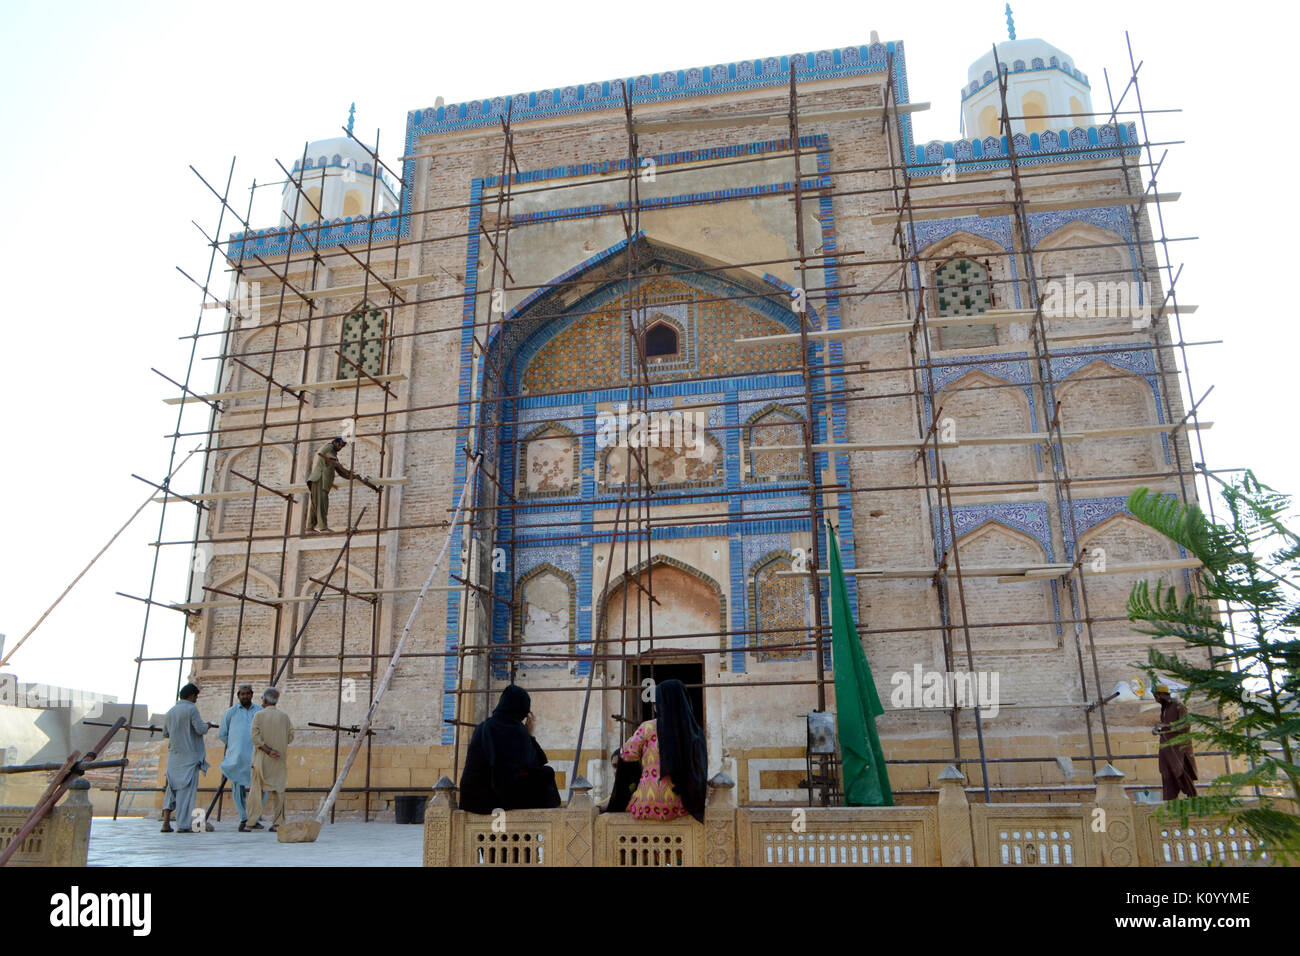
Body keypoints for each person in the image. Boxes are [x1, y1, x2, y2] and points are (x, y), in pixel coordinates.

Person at [459, 685, 561, 814]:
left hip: (471, 801)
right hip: (492, 800)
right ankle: (555, 816)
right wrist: (529, 733)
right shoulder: (516, 729)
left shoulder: (483, 726)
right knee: (547, 773)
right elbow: (535, 763)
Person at [619, 679, 707, 823]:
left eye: (656, 702)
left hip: (648, 803)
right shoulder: (695, 731)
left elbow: (627, 755)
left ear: (659, 705)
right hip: (685, 804)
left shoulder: (648, 728)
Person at [161, 683, 211, 834]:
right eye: (196, 696)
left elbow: (165, 733)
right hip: (189, 757)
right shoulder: (191, 709)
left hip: (173, 758)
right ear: (191, 696)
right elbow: (200, 729)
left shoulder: (170, 711)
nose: (196, 699)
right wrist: (207, 725)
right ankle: (183, 825)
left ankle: (165, 823)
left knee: (171, 790)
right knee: (186, 794)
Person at [248, 687, 294, 831]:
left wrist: (267, 750)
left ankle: (251, 821)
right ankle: (278, 823)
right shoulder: (284, 717)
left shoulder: (258, 715)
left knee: (256, 790)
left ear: (265, 699)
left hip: (262, 758)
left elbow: (254, 737)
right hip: (279, 759)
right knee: (279, 791)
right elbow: (290, 737)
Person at [217, 684, 262, 832]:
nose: (245, 696)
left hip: (255, 756)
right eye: (242, 694)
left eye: (248, 694)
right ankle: (244, 817)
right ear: (238, 695)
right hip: (236, 756)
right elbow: (223, 734)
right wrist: (235, 745)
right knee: (237, 787)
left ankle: (254, 817)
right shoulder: (230, 712)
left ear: (252, 694)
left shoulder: (259, 712)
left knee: (261, 787)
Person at [1153, 683, 1198, 800]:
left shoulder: (1179, 706)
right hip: (1167, 750)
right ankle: (1170, 804)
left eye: (1157, 697)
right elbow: (1165, 727)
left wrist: (1166, 726)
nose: (1156, 700)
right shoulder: (1165, 708)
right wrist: (1158, 729)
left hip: (1179, 750)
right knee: (1167, 776)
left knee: (1182, 773)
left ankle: (1193, 802)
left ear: (1162, 695)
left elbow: (1185, 725)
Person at [306, 436, 358, 534]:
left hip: (322, 482)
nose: (340, 447)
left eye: (343, 446)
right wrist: (347, 471)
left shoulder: (333, 453)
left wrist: (351, 476)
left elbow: (339, 471)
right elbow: (336, 464)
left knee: (315, 505)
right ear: (335, 442)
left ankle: (310, 528)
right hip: (319, 479)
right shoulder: (329, 448)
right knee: (322, 504)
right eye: (340, 444)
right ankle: (323, 527)